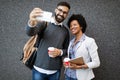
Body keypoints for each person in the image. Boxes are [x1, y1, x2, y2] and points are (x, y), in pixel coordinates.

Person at [25, 1, 71, 80]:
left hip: (55, 71)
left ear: (66, 15)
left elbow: (67, 50)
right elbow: (30, 33)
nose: (61, 14)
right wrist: (31, 21)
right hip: (38, 69)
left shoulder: (65, 31)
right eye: (60, 10)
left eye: (65, 12)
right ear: (55, 10)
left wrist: (60, 52)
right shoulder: (44, 23)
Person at [63, 14, 100, 80]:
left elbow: (96, 63)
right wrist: (66, 63)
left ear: (81, 26)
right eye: (70, 26)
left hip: (81, 77)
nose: (72, 27)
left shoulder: (89, 41)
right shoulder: (71, 42)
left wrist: (79, 67)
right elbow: (72, 57)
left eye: (74, 25)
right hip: (68, 75)